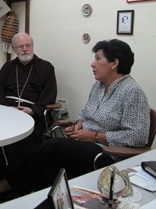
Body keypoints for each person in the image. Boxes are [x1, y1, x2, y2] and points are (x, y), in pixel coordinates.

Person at [32, 39, 150, 191]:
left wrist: (94, 136)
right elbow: (86, 112)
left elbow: (138, 136)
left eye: (98, 58)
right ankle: (36, 200)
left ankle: (19, 190)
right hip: (86, 145)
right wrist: (79, 124)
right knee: (50, 171)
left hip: (107, 153)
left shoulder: (132, 92)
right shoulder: (99, 85)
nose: (92, 64)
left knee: (51, 146)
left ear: (114, 63)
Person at [0, 32, 58, 196]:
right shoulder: (8, 67)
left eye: (28, 45)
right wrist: (6, 109)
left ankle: (7, 183)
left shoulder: (46, 67)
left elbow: (49, 96)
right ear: (14, 49)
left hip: (32, 116)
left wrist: (32, 110)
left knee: (21, 144)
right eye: (20, 46)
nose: (25, 49)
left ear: (32, 46)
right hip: (6, 113)